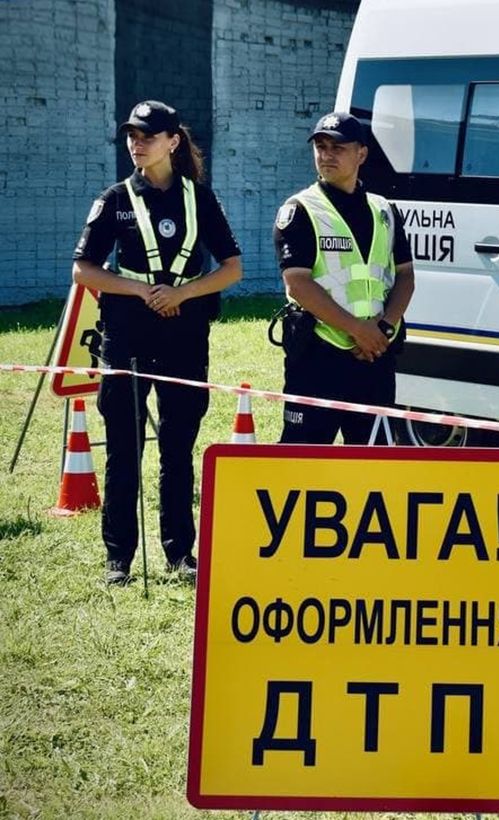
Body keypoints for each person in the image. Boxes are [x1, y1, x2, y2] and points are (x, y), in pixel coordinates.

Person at [72, 100, 243, 585]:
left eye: (147, 135)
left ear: (173, 141)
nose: (136, 143)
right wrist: (141, 291)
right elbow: (83, 269)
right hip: (126, 334)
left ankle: (180, 553)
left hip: (184, 337)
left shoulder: (200, 199)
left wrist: (182, 294)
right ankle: (118, 559)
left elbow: (233, 268)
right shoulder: (115, 199)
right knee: (124, 450)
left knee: (177, 448)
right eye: (131, 135)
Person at [273, 111, 414, 445]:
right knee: (304, 458)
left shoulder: (385, 211)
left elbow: (405, 276)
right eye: (320, 147)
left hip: (375, 355)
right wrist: (358, 330)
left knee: (374, 461)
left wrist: (383, 329)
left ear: (361, 154)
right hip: (319, 354)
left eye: (337, 148)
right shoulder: (300, 210)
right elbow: (298, 283)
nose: (326, 155)